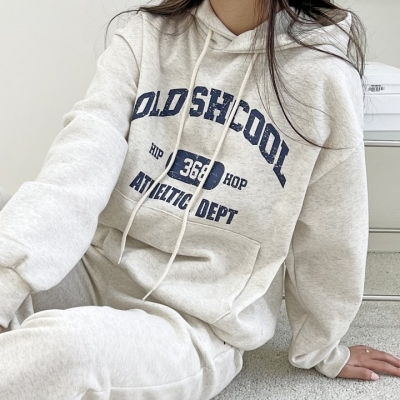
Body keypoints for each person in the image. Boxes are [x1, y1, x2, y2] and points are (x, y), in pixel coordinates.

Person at [0, 0, 399, 398]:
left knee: (62, 353)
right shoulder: (145, 35)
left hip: (196, 321)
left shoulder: (322, 72)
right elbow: (76, 168)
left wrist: (323, 346)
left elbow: (331, 229)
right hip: (97, 269)